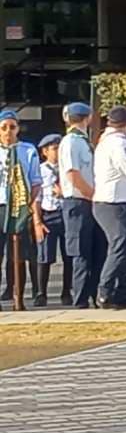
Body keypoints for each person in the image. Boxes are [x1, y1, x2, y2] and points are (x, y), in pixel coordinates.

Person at [92, 105, 126, 309]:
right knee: (120, 248)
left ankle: (118, 293)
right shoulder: (120, 144)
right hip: (116, 203)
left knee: (122, 248)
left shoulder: (104, 142)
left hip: (109, 203)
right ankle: (106, 291)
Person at [57, 101, 101, 308]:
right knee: (81, 252)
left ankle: (94, 294)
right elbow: (73, 174)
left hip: (87, 200)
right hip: (78, 200)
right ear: (88, 118)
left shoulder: (83, 141)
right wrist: (93, 195)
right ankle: (81, 298)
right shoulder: (71, 142)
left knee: (95, 250)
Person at [0, 109, 42, 312]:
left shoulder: (28, 150)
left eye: (12, 127)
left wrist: (28, 204)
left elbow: (35, 181)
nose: (8, 131)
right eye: (4, 127)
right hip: (0, 204)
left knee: (19, 255)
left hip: (19, 205)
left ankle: (19, 297)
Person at [33, 133, 68, 307]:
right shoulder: (40, 170)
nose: (57, 152)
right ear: (45, 151)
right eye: (54, 149)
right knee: (45, 256)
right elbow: (36, 198)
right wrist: (37, 221)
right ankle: (41, 293)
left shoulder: (67, 168)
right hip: (48, 214)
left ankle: (67, 292)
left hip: (66, 214)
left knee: (69, 255)